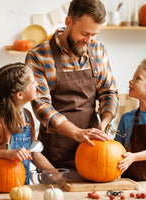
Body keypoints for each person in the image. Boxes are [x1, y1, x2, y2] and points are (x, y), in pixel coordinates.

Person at [25, 0, 118, 177]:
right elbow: (41, 107)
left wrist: (104, 122)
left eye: (94, 34)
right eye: (84, 33)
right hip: (54, 159)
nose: (89, 41)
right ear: (68, 22)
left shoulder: (98, 50)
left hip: (93, 154)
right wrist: (76, 132)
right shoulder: (38, 56)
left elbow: (108, 92)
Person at [0, 63, 55, 186]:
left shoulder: (28, 116)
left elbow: (32, 152)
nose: (37, 84)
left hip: (21, 187)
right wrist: (8, 154)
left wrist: (55, 174)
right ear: (20, 95)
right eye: (32, 82)